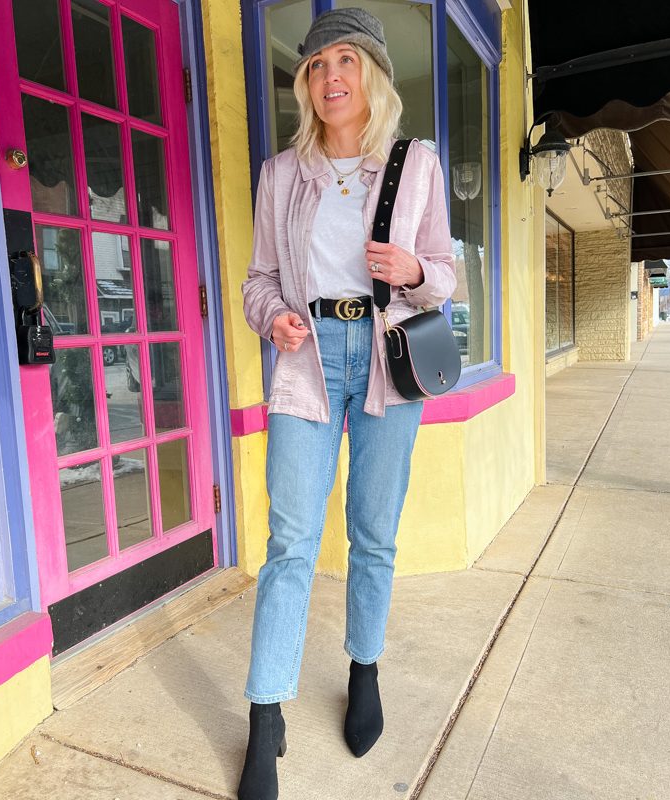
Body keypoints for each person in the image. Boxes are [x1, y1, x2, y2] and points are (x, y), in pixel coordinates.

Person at [238, 8, 456, 798]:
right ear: (306, 83)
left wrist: (413, 270)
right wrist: (273, 317)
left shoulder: (415, 163)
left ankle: (364, 668)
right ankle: (266, 716)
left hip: (387, 359)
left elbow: (445, 273)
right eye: (317, 65)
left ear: (372, 75)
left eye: (346, 61)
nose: (331, 76)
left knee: (374, 533)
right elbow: (259, 280)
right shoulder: (281, 174)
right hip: (307, 361)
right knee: (290, 541)